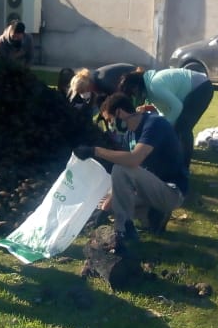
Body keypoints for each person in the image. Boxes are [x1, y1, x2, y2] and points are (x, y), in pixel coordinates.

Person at [73, 93, 189, 252]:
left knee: (120, 168)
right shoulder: (130, 134)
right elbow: (129, 172)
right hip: (151, 189)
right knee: (106, 200)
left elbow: (133, 161)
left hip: (171, 191)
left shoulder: (155, 124)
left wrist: (96, 151)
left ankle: (123, 230)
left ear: (120, 113)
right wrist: (104, 208)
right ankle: (152, 216)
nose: (110, 125)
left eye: (110, 120)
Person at [119, 68, 214, 170]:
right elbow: (165, 111)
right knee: (178, 128)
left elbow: (177, 107)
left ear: (136, 86)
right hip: (198, 87)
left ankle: (183, 168)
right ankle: (175, 163)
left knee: (183, 128)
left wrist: (164, 127)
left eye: (133, 92)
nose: (135, 96)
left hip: (201, 87)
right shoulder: (151, 92)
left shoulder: (155, 85)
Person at [66, 63, 138, 108]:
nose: (84, 93)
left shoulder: (102, 83)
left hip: (134, 76)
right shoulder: (93, 79)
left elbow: (120, 98)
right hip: (125, 78)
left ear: (88, 85)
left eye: (84, 91)